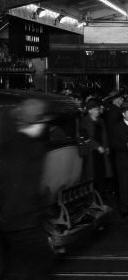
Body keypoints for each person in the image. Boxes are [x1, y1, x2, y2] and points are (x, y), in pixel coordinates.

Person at [0, 98, 54, 279]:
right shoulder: (27, 150)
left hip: (17, 224)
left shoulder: (11, 144)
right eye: (43, 121)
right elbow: (19, 192)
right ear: (35, 121)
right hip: (23, 224)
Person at [111, 102, 128, 217]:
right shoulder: (117, 127)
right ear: (123, 114)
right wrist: (127, 146)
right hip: (122, 161)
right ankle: (124, 209)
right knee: (124, 185)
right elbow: (114, 144)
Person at [79, 99, 108, 194]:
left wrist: (106, 146)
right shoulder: (84, 121)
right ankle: (92, 198)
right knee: (91, 175)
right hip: (91, 152)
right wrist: (97, 146)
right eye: (95, 109)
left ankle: (101, 196)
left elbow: (104, 135)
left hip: (101, 152)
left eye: (98, 109)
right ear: (90, 110)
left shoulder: (101, 121)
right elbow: (85, 137)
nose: (98, 111)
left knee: (102, 174)